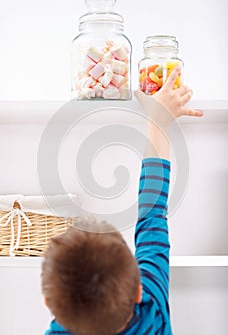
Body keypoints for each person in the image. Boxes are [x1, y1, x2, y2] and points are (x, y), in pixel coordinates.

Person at [42, 65, 203, 335]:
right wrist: (158, 121)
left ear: (50, 306)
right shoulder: (152, 306)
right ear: (139, 290)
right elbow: (151, 215)